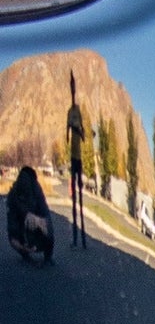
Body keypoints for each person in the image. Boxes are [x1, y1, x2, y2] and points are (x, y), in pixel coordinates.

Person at [7, 165, 55, 264]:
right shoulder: (13, 196)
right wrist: (20, 247)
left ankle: (47, 256)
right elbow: (12, 231)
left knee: (48, 226)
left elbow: (46, 216)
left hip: (37, 225)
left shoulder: (36, 190)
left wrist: (39, 222)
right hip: (22, 228)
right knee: (16, 232)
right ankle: (25, 252)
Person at [66, 70, 86, 248]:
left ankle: (83, 238)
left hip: (78, 157)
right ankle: (75, 238)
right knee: (74, 198)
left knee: (80, 196)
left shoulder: (77, 112)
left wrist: (78, 129)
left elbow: (83, 132)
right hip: (73, 157)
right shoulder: (69, 112)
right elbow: (68, 130)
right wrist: (70, 129)